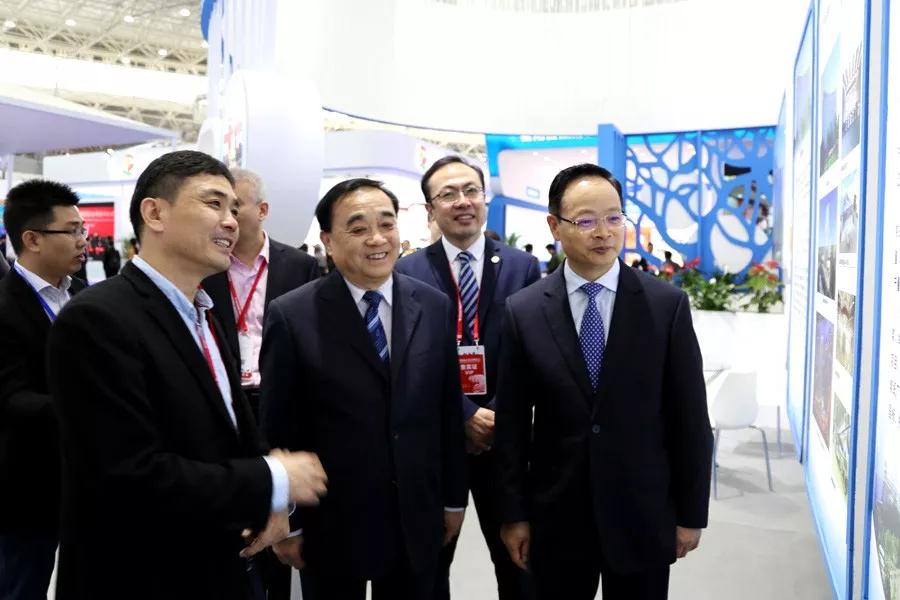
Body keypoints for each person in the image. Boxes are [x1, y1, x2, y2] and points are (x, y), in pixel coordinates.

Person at [45, 151, 328, 600]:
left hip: (218, 565)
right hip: (143, 576)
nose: (231, 221)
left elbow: (226, 431)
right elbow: (128, 475)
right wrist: (272, 478)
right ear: (155, 213)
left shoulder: (202, 313)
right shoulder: (97, 319)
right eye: (213, 203)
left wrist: (272, 500)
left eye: (233, 208)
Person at [495, 163, 712, 600]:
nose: (603, 232)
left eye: (614, 218)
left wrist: (691, 513)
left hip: (642, 510)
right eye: (586, 221)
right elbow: (512, 426)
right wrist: (513, 514)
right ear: (555, 226)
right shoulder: (524, 310)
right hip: (556, 514)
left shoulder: (665, 306)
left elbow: (689, 417)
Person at [261, 178, 468, 600]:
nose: (377, 239)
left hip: (416, 512)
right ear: (328, 241)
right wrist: (288, 521)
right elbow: (279, 427)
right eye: (358, 228)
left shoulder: (433, 305)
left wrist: (452, 500)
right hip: (332, 520)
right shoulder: (292, 315)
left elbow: (447, 411)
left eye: (387, 224)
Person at [396, 156, 540, 600]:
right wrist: (463, 413)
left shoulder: (522, 267)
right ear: (430, 209)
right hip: (438, 442)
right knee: (428, 567)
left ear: (485, 198)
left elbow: (531, 354)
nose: (462, 202)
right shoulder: (406, 272)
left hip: (504, 440)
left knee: (519, 565)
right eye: (448, 194)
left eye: (471, 190)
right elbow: (408, 360)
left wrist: (493, 414)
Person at [0, 180, 87, 599]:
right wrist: (85, 408)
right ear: (32, 239)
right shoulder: (5, 306)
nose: (83, 240)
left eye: (82, 229)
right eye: (71, 231)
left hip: (88, 479)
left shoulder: (84, 297)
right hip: (27, 486)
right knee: (22, 586)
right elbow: (8, 397)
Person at [202, 168, 319, 421]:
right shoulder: (206, 268)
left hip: (283, 397)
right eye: (218, 208)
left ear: (262, 210)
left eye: (235, 208)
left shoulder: (300, 266)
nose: (226, 219)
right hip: (225, 399)